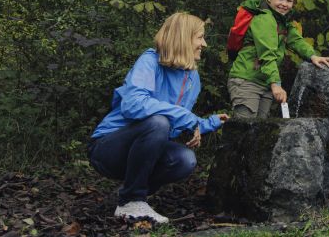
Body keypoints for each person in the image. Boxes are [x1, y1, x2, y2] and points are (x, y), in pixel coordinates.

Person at [88, 12, 228, 224]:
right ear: (183, 38)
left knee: (185, 160)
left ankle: (130, 196)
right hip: (107, 148)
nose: (204, 44)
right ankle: (131, 200)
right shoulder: (150, 61)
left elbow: (176, 121)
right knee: (158, 123)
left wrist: (208, 123)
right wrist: (186, 117)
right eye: (200, 37)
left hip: (143, 148)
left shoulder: (192, 77)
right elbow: (133, 105)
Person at [228, 0, 329, 118]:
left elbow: (296, 40)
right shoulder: (264, 19)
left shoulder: (282, 22)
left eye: (289, 0)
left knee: (259, 129)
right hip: (247, 81)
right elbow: (267, 54)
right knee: (244, 128)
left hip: (265, 83)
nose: (284, 4)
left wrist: (313, 56)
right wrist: (276, 84)